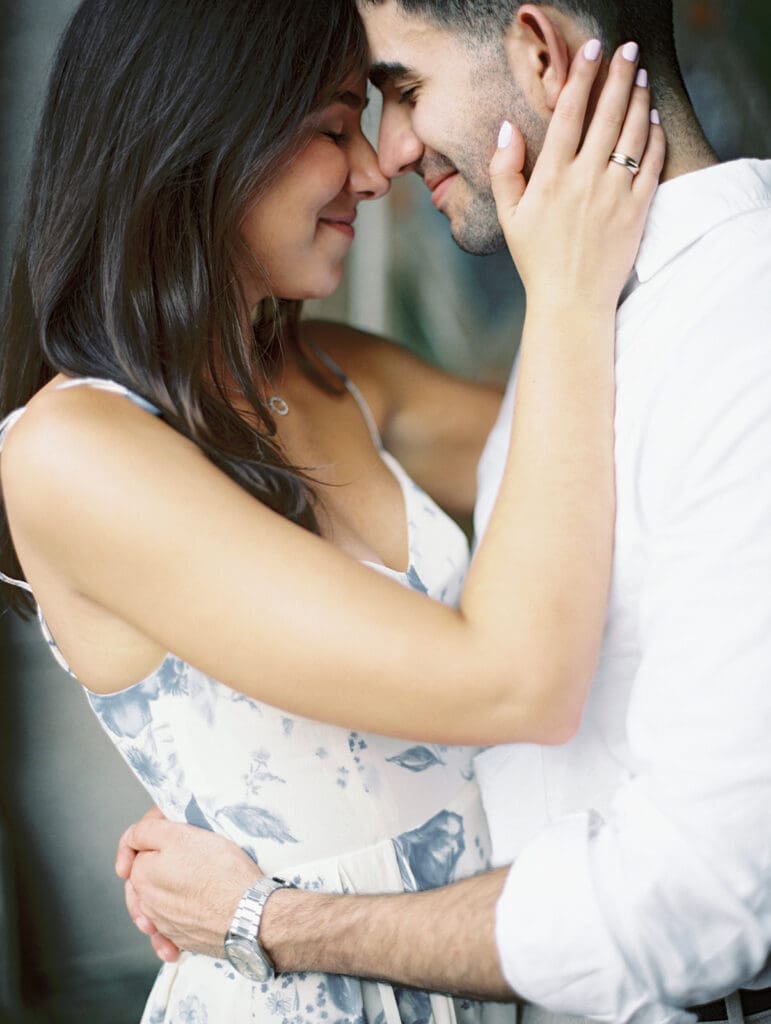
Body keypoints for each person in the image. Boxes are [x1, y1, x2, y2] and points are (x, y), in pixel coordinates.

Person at [0, 0, 661, 1022]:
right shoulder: (70, 453)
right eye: (331, 126)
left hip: (497, 976)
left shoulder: (345, 379)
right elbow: (514, 683)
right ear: (198, 135)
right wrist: (566, 292)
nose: (372, 169)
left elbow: (639, 465)